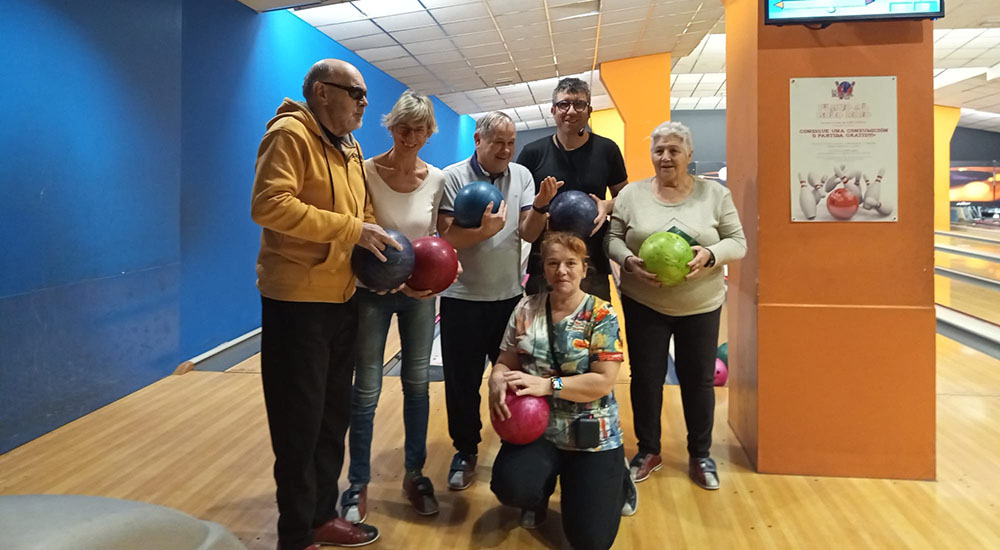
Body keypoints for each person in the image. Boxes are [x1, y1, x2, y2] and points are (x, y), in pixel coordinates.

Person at [250, 59, 392, 550]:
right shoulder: (289, 135)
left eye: (363, 95)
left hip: (342, 297)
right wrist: (353, 229)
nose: (364, 103)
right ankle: (295, 536)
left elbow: (363, 211)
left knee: (333, 416)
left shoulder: (349, 146)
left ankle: (322, 517)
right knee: (299, 423)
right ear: (321, 91)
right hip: (297, 302)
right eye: (356, 92)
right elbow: (269, 204)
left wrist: (381, 257)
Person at [604, 121, 746, 490]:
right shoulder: (631, 195)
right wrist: (627, 260)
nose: (665, 157)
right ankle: (649, 450)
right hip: (643, 302)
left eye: (673, 150)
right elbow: (613, 239)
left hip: (700, 305)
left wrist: (711, 255)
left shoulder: (714, 195)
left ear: (689, 155)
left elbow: (738, 242)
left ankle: (701, 454)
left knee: (698, 382)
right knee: (646, 379)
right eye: (659, 151)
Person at [488, 232, 637, 550]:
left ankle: (617, 478)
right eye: (553, 263)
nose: (562, 271)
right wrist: (496, 379)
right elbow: (504, 360)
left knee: (591, 541)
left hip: (591, 435)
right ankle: (538, 495)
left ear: (585, 268)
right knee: (512, 486)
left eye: (571, 263)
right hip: (538, 431)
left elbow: (602, 382)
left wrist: (547, 385)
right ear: (544, 269)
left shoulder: (601, 315)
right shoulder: (526, 309)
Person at [341, 90, 448, 522]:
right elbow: (355, 230)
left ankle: (414, 474)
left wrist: (438, 277)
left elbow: (438, 240)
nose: (412, 136)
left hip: (419, 297)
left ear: (429, 132)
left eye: (421, 129)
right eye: (404, 127)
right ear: (391, 126)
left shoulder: (438, 179)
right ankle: (358, 483)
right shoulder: (365, 172)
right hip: (371, 295)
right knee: (366, 388)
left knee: (417, 385)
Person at [437, 111, 558, 491]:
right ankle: (466, 449)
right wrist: (483, 231)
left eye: (511, 143)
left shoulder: (521, 175)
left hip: (508, 299)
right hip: (462, 299)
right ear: (478, 140)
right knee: (462, 383)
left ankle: (517, 443)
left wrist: (539, 207)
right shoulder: (452, 177)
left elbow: (526, 232)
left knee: (513, 380)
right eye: (498, 143)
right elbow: (447, 238)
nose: (506, 150)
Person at [516, 77, 628, 301]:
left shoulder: (607, 150)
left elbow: (626, 198)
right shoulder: (532, 153)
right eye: (564, 104)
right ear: (553, 110)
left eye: (579, 104)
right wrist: (539, 206)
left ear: (589, 111)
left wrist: (608, 205)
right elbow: (524, 226)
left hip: (592, 263)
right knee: (540, 335)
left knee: (593, 335)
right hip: (545, 264)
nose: (571, 111)